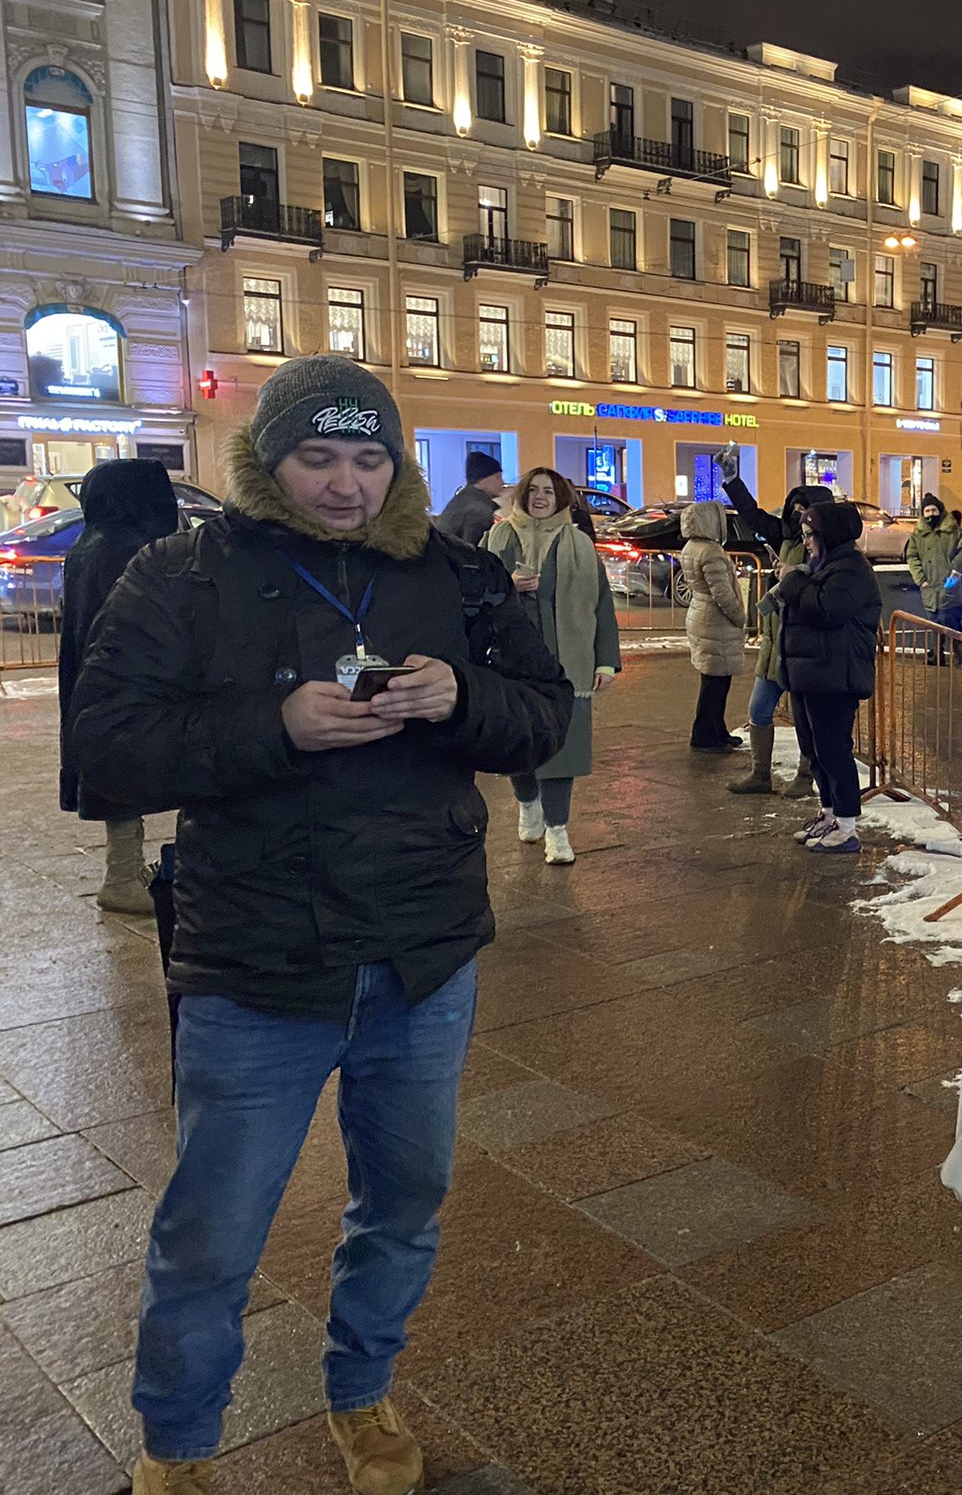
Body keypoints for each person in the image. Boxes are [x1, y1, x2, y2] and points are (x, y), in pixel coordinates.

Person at [69, 354, 571, 1495]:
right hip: (255, 963)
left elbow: (542, 715)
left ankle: (362, 1391)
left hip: (422, 955)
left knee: (401, 1204)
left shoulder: (456, 574)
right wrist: (275, 725)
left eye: (366, 457)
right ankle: (178, 1445)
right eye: (316, 456)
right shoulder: (180, 573)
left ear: (394, 464)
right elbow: (107, 746)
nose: (343, 483)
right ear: (268, 460)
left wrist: (462, 699)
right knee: (212, 1231)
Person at [58, 457, 180, 914]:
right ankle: (125, 876)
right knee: (137, 768)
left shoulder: (89, 544)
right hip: (133, 678)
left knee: (115, 768)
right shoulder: (136, 549)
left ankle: (127, 870)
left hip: (94, 680)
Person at [485, 467, 619, 864]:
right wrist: (505, 584)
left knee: (564, 746)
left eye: (549, 491)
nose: (540, 497)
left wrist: (606, 661)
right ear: (523, 495)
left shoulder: (579, 544)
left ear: (562, 498)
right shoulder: (496, 539)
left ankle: (558, 830)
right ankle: (528, 802)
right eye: (534, 490)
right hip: (511, 661)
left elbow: (602, 604)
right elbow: (472, 594)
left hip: (567, 664)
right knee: (518, 739)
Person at [722, 465, 836, 797]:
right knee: (758, 709)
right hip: (775, 643)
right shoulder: (785, 536)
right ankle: (760, 774)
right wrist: (732, 480)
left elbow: (826, 587)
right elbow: (753, 515)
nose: (799, 517)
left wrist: (794, 573)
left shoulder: (828, 546)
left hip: (803, 645)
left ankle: (805, 774)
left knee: (807, 718)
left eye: (806, 511)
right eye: (794, 510)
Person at [776, 500, 882, 854]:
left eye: (810, 535)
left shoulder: (851, 570)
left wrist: (793, 583)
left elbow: (827, 610)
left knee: (834, 750)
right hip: (812, 674)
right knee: (814, 749)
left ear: (828, 535)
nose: (806, 542)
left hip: (835, 676)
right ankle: (830, 811)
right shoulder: (824, 565)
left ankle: (848, 825)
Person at [678, 498, 748, 751]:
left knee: (715, 681)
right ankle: (705, 735)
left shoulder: (692, 547)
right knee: (715, 684)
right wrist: (740, 617)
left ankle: (716, 729)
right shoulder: (710, 552)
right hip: (715, 621)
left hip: (702, 615)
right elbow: (723, 594)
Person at [904, 492, 962, 661]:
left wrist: (955, 570)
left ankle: (960, 651)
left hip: (949, 582)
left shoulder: (952, 531)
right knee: (934, 621)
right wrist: (921, 579)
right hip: (929, 586)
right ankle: (938, 653)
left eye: (934, 510)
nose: (931, 514)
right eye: (927, 511)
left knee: (948, 619)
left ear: (940, 511)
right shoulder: (918, 534)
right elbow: (912, 556)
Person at [434, 450, 505, 545]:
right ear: (482, 478)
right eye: (497, 477)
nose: (502, 482)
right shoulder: (479, 510)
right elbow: (473, 554)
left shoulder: (462, 500)